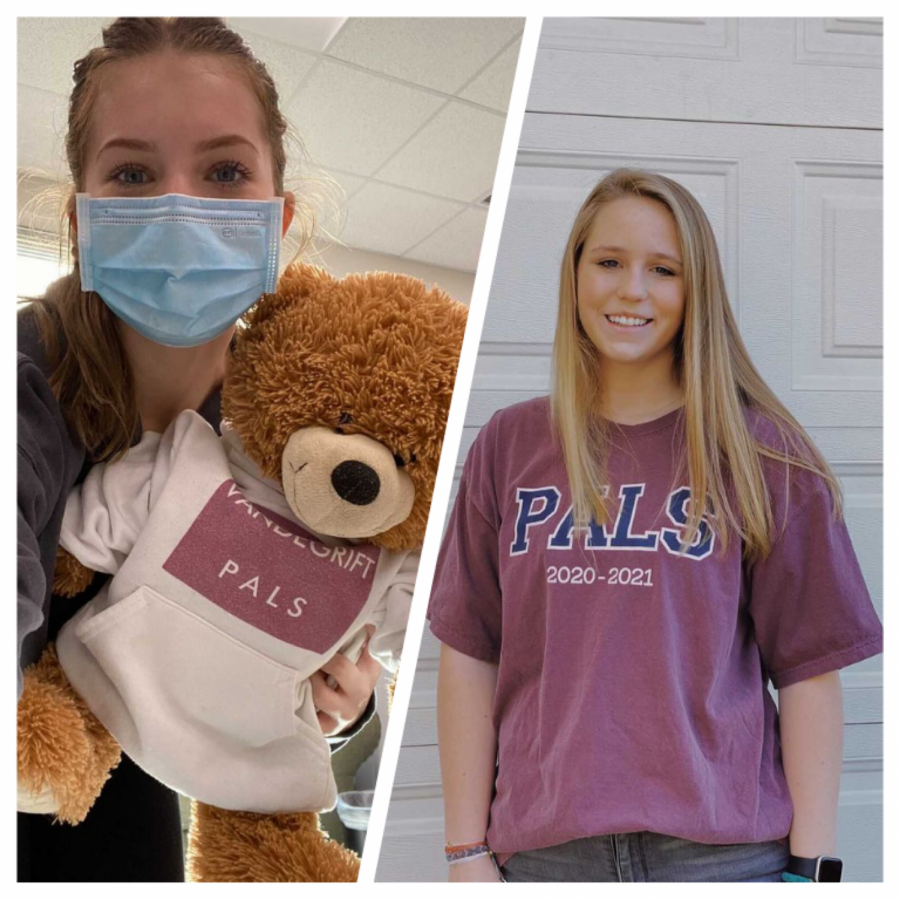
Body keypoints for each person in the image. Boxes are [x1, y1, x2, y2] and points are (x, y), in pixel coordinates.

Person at [429, 169, 883, 883]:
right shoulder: (510, 446)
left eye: (663, 270)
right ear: (575, 272)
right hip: (547, 856)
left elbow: (809, 672)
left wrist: (811, 871)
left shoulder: (763, 456)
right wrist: (464, 853)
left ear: (695, 288)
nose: (631, 289)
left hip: (724, 859)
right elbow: (468, 654)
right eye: (608, 261)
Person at [17, 17, 380, 882]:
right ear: (84, 219)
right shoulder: (29, 376)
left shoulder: (305, 420)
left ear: (278, 217)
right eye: (134, 174)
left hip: (137, 795)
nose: (180, 205)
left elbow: (354, 612)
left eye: (224, 171)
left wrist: (351, 703)